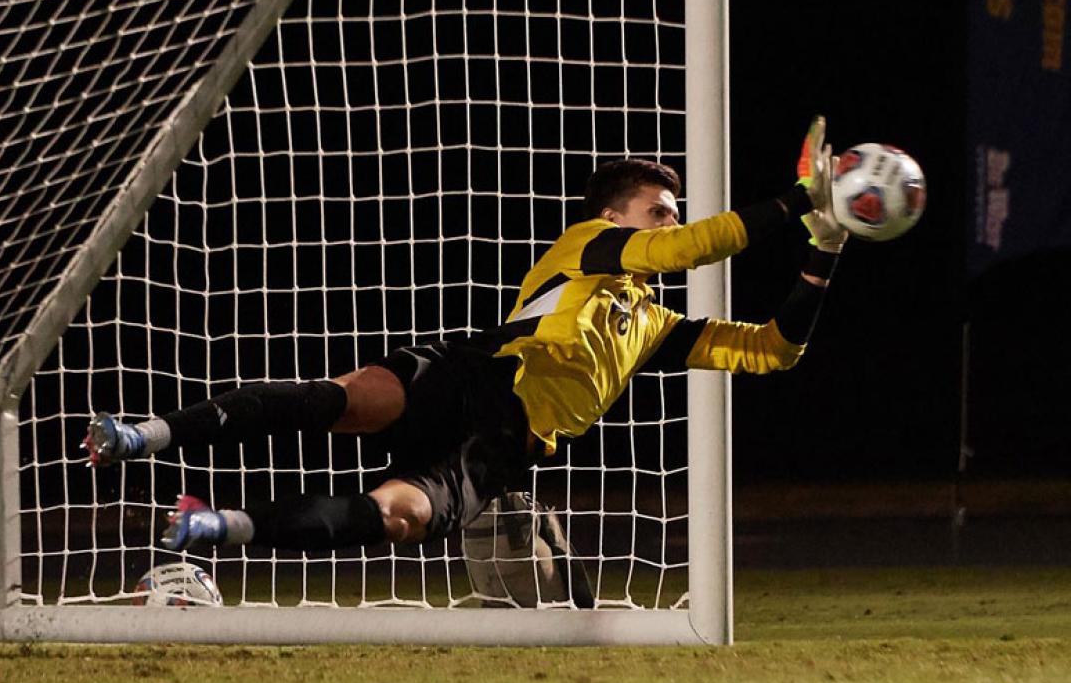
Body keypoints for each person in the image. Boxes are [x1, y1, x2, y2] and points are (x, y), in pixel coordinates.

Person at [84, 116, 847, 554]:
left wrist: (823, 250)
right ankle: (143, 433)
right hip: (476, 373)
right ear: (615, 215)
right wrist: (794, 199)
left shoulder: (654, 323)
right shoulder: (588, 245)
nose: (672, 221)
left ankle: (212, 525)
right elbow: (686, 250)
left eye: (675, 210)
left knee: (400, 516)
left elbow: (772, 349)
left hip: (508, 441)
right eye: (659, 208)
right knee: (344, 400)